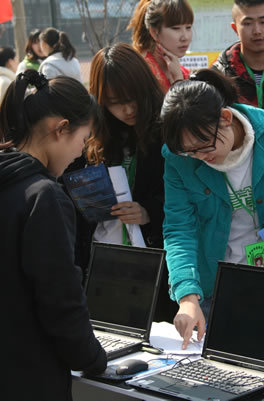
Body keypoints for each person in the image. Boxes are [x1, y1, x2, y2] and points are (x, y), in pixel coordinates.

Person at [0, 69, 106, 400]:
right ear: (61, 130)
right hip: (23, 379)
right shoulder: (43, 196)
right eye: (82, 141)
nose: (79, 155)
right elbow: (60, 302)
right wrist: (95, 359)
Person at [161, 69, 264, 348]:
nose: (200, 157)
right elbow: (178, 228)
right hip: (215, 284)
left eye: (203, 146)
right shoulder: (178, 159)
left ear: (226, 118)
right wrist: (187, 297)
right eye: (189, 152)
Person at [86, 43, 176, 322]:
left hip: (159, 259)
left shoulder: (168, 128)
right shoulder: (95, 135)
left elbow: (188, 195)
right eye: (114, 102)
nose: (126, 109)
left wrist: (149, 210)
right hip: (108, 259)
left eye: (131, 98)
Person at [212, 0, 264, 111]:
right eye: (248, 23)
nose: (257, 31)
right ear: (235, 28)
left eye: (263, 22)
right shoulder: (219, 75)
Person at [129, 0, 193, 93]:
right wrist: (178, 81)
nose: (185, 37)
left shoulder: (182, 71)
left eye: (188, 27)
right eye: (176, 28)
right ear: (154, 32)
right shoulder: (142, 72)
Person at [0, 46, 18, 113]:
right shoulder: (5, 82)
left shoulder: (1, 79)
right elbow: (6, 112)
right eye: (16, 59)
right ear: (10, 61)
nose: (18, 62)